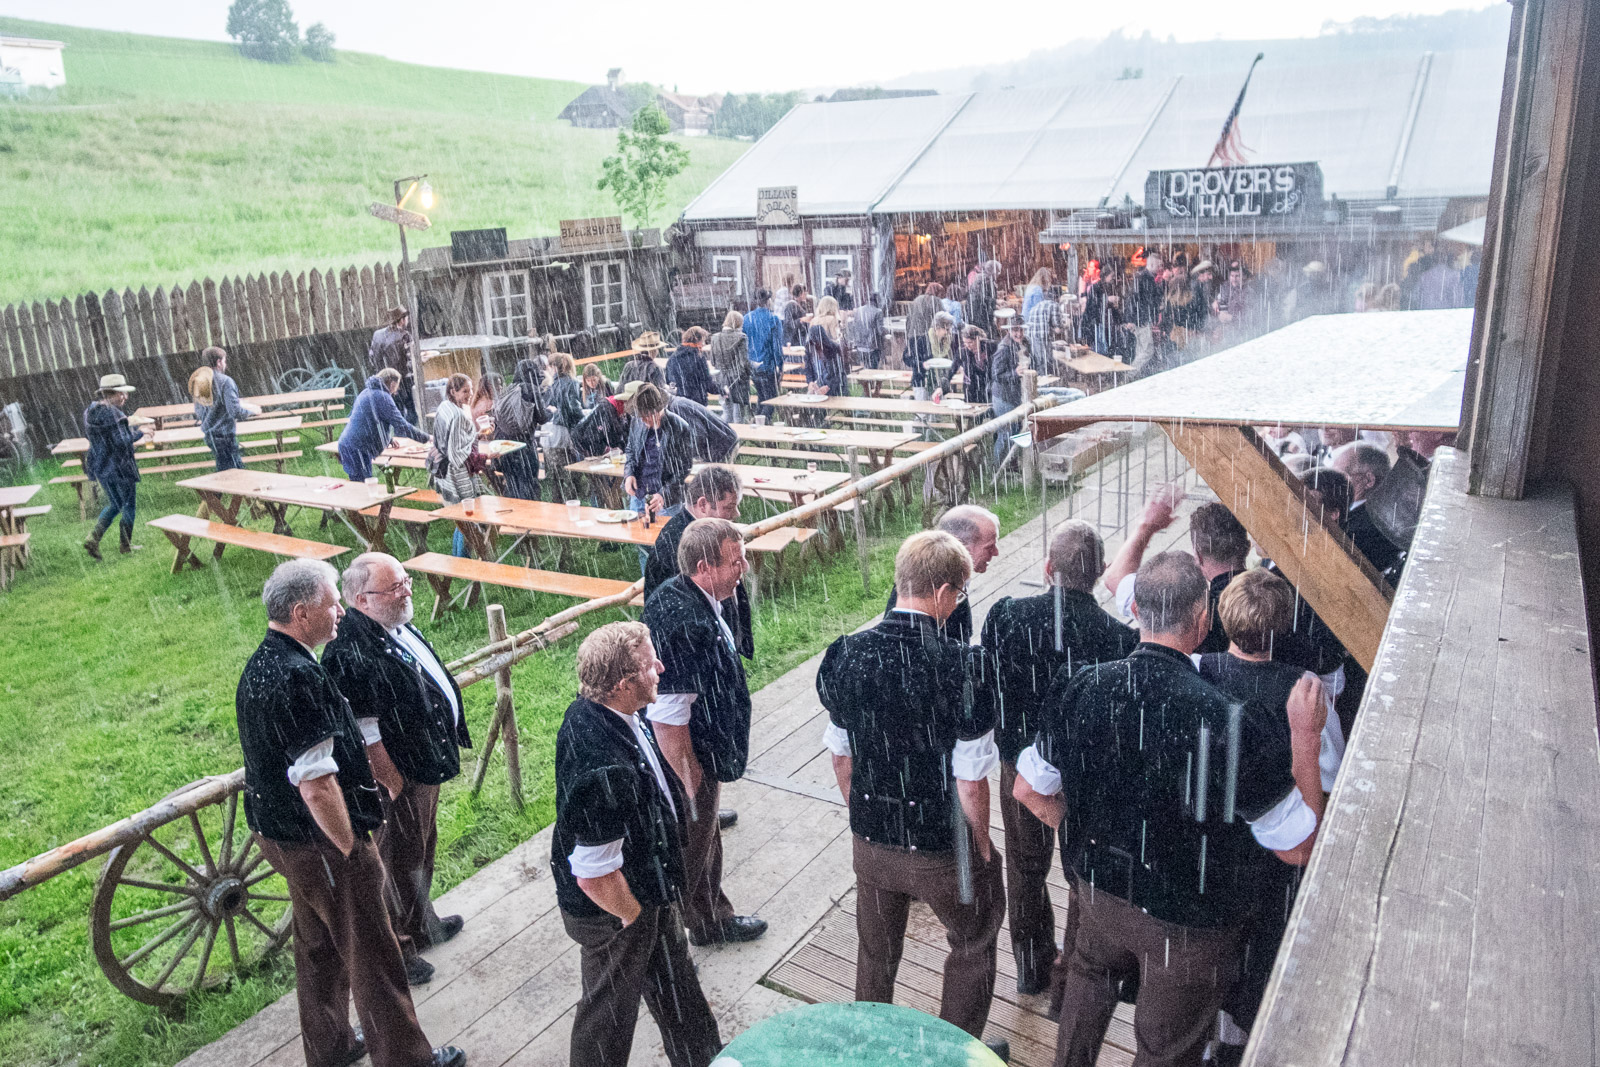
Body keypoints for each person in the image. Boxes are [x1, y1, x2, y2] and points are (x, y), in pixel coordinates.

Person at [1014, 552, 1326, 1067]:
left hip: (1098, 893)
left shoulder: (1082, 685)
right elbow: (1298, 848)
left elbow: (1028, 789)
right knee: (1165, 1051)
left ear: (1136, 609)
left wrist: (1085, 832)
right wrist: (1306, 741)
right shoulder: (1229, 721)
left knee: (1087, 988)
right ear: (1203, 621)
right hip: (1189, 924)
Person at [237, 559, 464, 1067]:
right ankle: (408, 1059)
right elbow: (317, 785)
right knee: (373, 954)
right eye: (332, 603)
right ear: (301, 613)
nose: (341, 610)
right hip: (320, 842)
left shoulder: (262, 662)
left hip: (281, 835)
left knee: (317, 947)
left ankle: (332, 1047)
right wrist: (351, 849)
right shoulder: (298, 676)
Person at [817, 530, 1005, 1049]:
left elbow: (840, 754)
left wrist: (867, 815)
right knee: (973, 941)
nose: (959, 602)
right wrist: (981, 847)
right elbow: (970, 782)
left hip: (871, 840)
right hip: (942, 845)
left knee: (875, 954)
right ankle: (952, 1051)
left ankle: (868, 1047)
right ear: (942, 591)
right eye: (960, 593)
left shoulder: (848, 654)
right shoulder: (966, 667)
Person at [974, 522, 1137, 999]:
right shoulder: (1118, 639)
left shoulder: (1007, 616)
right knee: (1081, 875)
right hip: (1084, 776)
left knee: (1025, 870)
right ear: (1100, 571)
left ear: (1048, 568)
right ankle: (1070, 983)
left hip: (1018, 766)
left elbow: (990, 679)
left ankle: (1031, 968)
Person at [551, 622, 723, 1067]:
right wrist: (633, 915)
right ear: (622, 685)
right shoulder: (603, 768)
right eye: (649, 665)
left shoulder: (608, 711)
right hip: (613, 910)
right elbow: (594, 875)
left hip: (646, 890)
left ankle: (703, 1058)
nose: (661, 668)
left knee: (678, 987)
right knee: (607, 1017)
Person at [1194, 569, 1346, 1061]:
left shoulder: (1195, 670)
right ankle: (1236, 1042)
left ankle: (1208, 1037)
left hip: (1209, 834)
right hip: (1273, 848)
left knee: (1212, 940)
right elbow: (1328, 778)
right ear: (1283, 626)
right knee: (1259, 946)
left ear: (1221, 616)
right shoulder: (1305, 689)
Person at [323, 553, 471, 987]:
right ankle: (400, 949)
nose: (406, 591)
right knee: (393, 860)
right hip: (398, 774)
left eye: (405, 581)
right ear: (362, 599)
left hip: (422, 762)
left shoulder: (393, 623)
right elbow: (364, 730)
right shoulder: (349, 649)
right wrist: (391, 779)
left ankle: (423, 923)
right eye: (395, 587)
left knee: (419, 848)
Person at [643, 519, 767, 946]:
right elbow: (667, 719)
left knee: (706, 838)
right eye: (735, 562)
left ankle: (710, 919)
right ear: (703, 567)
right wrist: (691, 784)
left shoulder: (691, 596)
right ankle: (667, 944)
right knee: (689, 853)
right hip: (689, 759)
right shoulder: (683, 622)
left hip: (703, 750)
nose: (743, 569)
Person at [1104, 491, 1250, 656]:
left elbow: (1114, 579)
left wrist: (1146, 526)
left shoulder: (1188, 605)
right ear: (1247, 547)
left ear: (1198, 556)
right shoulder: (1266, 597)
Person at [883, 504, 1000, 644]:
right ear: (962, 548)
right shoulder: (939, 592)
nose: (996, 552)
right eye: (990, 547)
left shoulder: (936, 575)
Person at [82, 373, 148, 560]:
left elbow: (99, 438)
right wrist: (140, 433)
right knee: (129, 505)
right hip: (120, 467)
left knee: (115, 503)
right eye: (122, 393)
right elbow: (121, 441)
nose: (125, 397)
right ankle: (125, 545)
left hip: (101, 466)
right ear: (111, 394)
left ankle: (93, 538)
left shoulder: (91, 412)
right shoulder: (114, 414)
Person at [338, 368, 431, 484]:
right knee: (362, 487)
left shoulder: (366, 392)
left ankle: (390, 491)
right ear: (391, 383)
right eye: (397, 385)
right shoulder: (382, 397)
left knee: (362, 484)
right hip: (358, 449)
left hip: (349, 444)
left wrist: (388, 439)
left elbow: (365, 420)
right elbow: (402, 425)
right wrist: (427, 438)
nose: (397, 390)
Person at [429, 374, 484, 558]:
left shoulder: (444, 406)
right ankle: (463, 559)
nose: (470, 394)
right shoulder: (458, 415)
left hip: (443, 470)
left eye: (471, 389)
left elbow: (452, 441)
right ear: (453, 391)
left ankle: (457, 556)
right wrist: (485, 456)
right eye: (465, 391)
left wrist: (475, 436)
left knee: (460, 517)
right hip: (457, 473)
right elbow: (456, 454)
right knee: (467, 517)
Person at [1330, 441, 1402, 581]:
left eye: (1340, 476)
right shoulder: (1382, 512)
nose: (1332, 483)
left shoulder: (1364, 527)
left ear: (1368, 480)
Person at [623, 383, 694, 522]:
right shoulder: (637, 422)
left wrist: (663, 494)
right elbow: (630, 450)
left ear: (657, 410)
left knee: (667, 535)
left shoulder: (680, 428)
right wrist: (629, 474)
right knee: (637, 534)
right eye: (640, 415)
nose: (642, 420)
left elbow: (684, 469)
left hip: (667, 501)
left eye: (646, 416)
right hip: (638, 494)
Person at [489, 359, 547, 501]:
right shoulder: (531, 389)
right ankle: (530, 512)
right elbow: (542, 417)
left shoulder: (508, 390)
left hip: (506, 448)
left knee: (513, 485)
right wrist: (551, 411)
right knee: (529, 486)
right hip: (525, 447)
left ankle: (514, 510)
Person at [197, 346, 261, 471]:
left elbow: (200, 410)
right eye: (224, 361)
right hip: (224, 436)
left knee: (224, 470)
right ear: (219, 362)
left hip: (210, 435)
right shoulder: (226, 382)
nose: (225, 364)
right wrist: (253, 411)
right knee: (235, 473)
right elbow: (235, 411)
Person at [544, 353, 585, 505]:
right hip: (565, 433)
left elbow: (550, 407)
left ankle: (557, 505)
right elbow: (573, 408)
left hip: (551, 434)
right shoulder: (571, 382)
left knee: (555, 476)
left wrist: (555, 412)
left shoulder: (552, 384)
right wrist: (583, 418)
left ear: (553, 367)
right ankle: (572, 503)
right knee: (569, 472)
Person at [371, 307, 418, 423]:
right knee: (412, 410)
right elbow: (411, 359)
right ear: (402, 320)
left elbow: (372, 357)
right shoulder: (404, 336)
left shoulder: (377, 335)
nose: (407, 320)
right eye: (406, 318)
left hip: (384, 381)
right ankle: (408, 432)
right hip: (403, 380)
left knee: (395, 411)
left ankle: (398, 431)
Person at [988, 322, 1026, 466]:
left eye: (1021, 330)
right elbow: (996, 375)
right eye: (1015, 330)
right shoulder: (1004, 348)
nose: (1019, 333)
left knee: (1015, 432)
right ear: (1009, 330)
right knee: (1005, 434)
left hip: (1013, 396)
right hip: (1003, 398)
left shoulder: (1019, 345)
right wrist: (1014, 374)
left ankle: (1010, 465)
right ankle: (997, 468)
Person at [744, 288, 785, 412]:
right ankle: (763, 420)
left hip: (752, 364)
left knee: (762, 396)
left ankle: (758, 418)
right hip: (767, 365)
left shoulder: (747, 318)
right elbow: (777, 347)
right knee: (770, 400)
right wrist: (780, 366)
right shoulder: (773, 320)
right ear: (768, 301)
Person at [706, 311, 751, 425]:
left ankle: (722, 432)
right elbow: (744, 362)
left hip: (721, 379)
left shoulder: (715, 338)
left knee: (726, 412)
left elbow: (713, 361)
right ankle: (738, 435)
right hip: (738, 380)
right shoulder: (741, 338)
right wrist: (751, 370)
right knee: (739, 416)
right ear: (739, 323)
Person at [1125, 251, 1163, 375]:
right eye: (1158, 265)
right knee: (1147, 350)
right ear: (1151, 265)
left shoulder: (1143, 277)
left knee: (1141, 350)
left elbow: (1134, 298)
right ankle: (1130, 374)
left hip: (1141, 318)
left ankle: (1132, 375)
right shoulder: (1145, 278)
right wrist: (1133, 319)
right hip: (1141, 319)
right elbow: (1133, 298)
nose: (1160, 268)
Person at [905, 282, 943, 398]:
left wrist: (909, 334)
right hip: (928, 337)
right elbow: (942, 318)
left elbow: (908, 318)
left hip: (914, 335)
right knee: (932, 364)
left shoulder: (917, 300)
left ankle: (919, 386)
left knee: (918, 363)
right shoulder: (937, 301)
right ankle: (933, 387)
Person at [804, 295, 846, 397]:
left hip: (816, 355)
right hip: (828, 354)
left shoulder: (814, 320)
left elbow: (810, 338)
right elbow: (837, 338)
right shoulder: (833, 319)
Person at [666, 326, 715, 408]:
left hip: (678, 402)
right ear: (697, 340)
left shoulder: (673, 357)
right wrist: (722, 391)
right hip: (697, 403)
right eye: (703, 341)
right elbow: (707, 383)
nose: (703, 344)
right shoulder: (698, 358)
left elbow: (669, 379)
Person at [846, 292, 887, 370]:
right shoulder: (878, 311)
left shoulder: (858, 310)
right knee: (873, 369)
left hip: (860, 345)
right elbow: (880, 330)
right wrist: (887, 332)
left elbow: (854, 326)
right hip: (873, 346)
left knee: (863, 368)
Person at [955, 323, 991, 406]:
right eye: (965, 342)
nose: (967, 345)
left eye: (970, 342)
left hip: (986, 384)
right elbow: (952, 369)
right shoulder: (963, 351)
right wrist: (941, 388)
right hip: (970, 386)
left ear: (978, 339)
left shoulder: (989, 347)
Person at [965, 261, 1000, 337]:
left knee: (977, 336)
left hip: (973, 315)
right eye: (998, 272)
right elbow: (988, 303)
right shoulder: (988, 282)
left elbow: (982, 298)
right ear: (994, 272)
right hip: (982, 317)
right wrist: (995, 305)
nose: (998, 274)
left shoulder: (979, 279)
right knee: (986, 337)